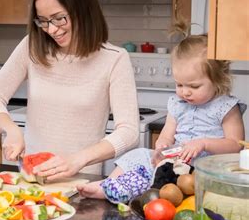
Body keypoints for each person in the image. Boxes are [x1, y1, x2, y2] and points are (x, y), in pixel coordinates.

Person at [0, 0, 140, 176]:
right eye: (43, 21)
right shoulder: (31, 47)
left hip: (82, 182)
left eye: (58, 18)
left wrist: (78, 160)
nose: (52, 30)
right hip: (32, 179)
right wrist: (11, 129)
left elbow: (129, 132)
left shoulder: (114, 59)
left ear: (83, 9)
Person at [78, 26, 246, 203]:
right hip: (176, 162)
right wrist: (162, 146)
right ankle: (108, 185)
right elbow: (167, 134)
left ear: (218, 80)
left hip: (206, 170)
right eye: (179, 85)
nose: (185, 92)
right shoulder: (177, 104)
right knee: (139, 155)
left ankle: (129, 189)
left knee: (159, 181)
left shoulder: (226, 107)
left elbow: (235, 145)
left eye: (194, 86)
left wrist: (204, 143)